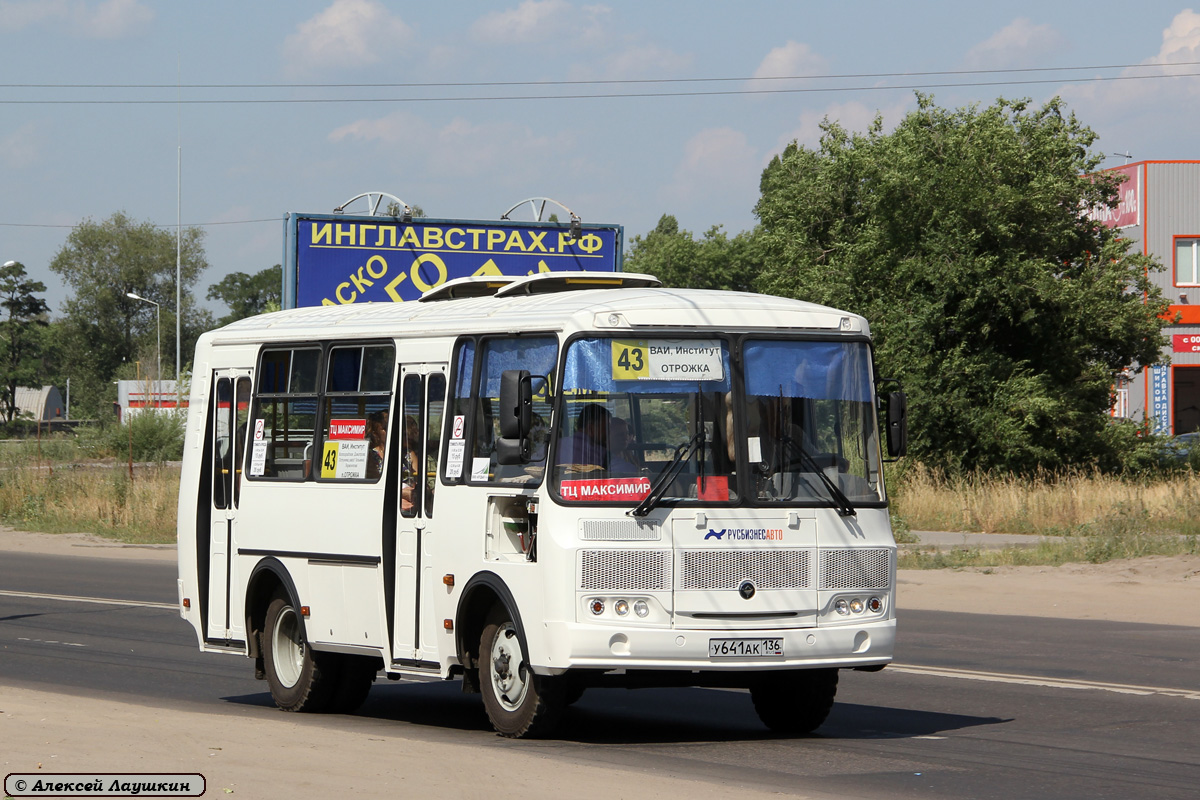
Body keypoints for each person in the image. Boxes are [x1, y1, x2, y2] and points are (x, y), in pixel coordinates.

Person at [555, 404, 610, 470]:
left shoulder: (553, 446)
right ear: (591, 428)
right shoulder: (599, 453)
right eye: (606, 428)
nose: (609, 433)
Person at [400, 415, 419, 513]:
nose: (408, 440)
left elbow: (417, 476)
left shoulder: (410, 454)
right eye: (405, 436)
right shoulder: (374, 454)